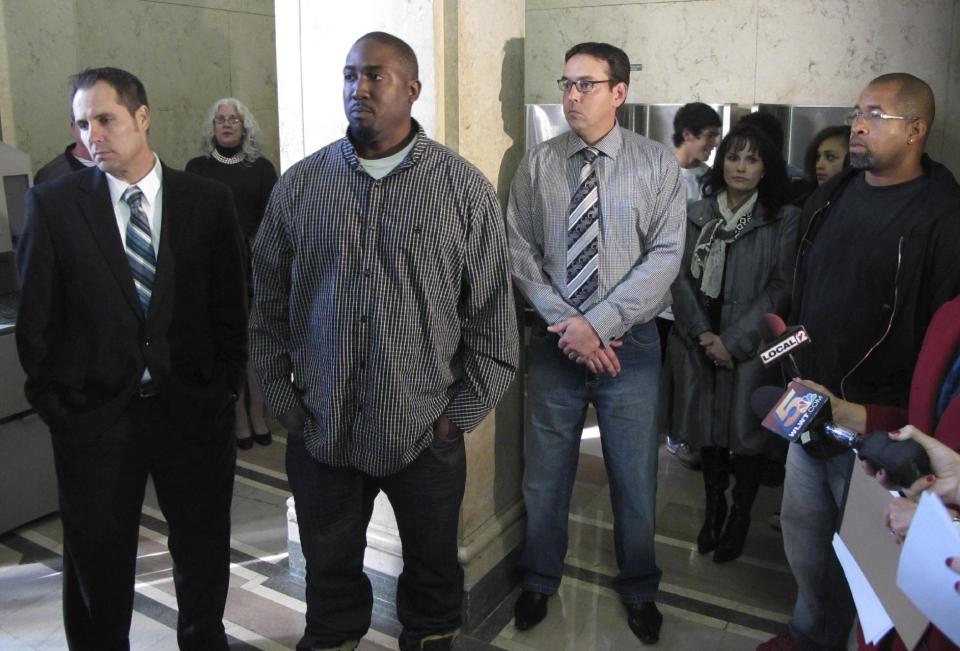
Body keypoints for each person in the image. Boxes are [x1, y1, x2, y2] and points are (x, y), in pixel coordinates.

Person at [249, 32, 518, 651]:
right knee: (330, 572)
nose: (358, 89)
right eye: (349, 76)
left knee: (431, 575)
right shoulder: (302, 186)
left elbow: (494, 324)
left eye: (375, 76)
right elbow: (263, 302)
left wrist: (456, 418)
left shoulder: (461, 190)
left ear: (412, 89)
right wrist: (277, 391)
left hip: (424, 429)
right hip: (324, 426)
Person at [15, 67, 247, 650]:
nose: (93, 134)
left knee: (201, 549)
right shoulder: (54, 205)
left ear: (142, 117)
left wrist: (221, 388)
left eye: (106, 119)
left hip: (191, 413)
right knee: (97, 559)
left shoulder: (207, 202)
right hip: (96, 421)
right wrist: (60, 408)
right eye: (82, 122)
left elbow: (230, 308)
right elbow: (37, 321)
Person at [758, 73, 960, 651]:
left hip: (879, 422)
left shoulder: (943, 218)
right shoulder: (834, 194)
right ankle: (807, 631)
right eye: (855, 113)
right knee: (804, 531)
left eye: (876, 115)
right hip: (811, 404)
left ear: (916, 129)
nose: (858, 127)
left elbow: (940, 347)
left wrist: (882, 418)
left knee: (871, 557)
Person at [506, 41, 685, 644]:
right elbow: (519, 249)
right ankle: (538, 579)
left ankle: (639, 587)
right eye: (566, 83)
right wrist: (570, 326)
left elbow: (665, 258)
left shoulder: (657, 163)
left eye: (586, 84)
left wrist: (600, 324)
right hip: (556, 347)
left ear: (619, 92)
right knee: (545, 475)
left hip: (630, 350)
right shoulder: (538, 164)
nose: (572, 95)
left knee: (634, 478)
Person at [668, 124, 799, 563]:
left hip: (751, 346)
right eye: (733, 157)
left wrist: (733, 341)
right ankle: (713, 508)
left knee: (746, 436)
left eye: (752, 159)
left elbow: (781, 289)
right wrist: (703, 334)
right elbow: (678, 276)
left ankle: (740, 513)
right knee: (707, 431)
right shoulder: (696, 212)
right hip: (700, 340)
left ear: (767, 169)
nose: (740, 167)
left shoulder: (782, 218)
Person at [800, 294, 960, 651]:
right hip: (898, 596)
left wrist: (945, 530)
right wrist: (844, 412)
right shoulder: (951, 314)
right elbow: (924, 424)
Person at [186, 97, 278, 450]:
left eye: (234, 120)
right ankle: (237, 414)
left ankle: (258, 411)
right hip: (213, 266)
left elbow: (274, 220)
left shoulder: (261, 167)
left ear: (245, 127)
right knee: (227, 340)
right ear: (212, 127)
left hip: (254, 265)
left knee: (254, 340)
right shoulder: (198, 167)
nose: (226, 124)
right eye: (220, 119)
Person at [661, 102, 723, 469]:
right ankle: (665, 428)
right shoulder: (659, 170)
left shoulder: (710, 180)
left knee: (688, 370)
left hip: (691, 289)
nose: (713, 144)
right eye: (709, 136)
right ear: (688, 134)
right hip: (657, 293)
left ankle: (684, 433)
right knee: (661, 371)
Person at [33, 118, 96, 184]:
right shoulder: (50, 176)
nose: (97, 131)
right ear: (73, 127)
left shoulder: (106, 167)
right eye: (84, 124)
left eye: (105, 121)